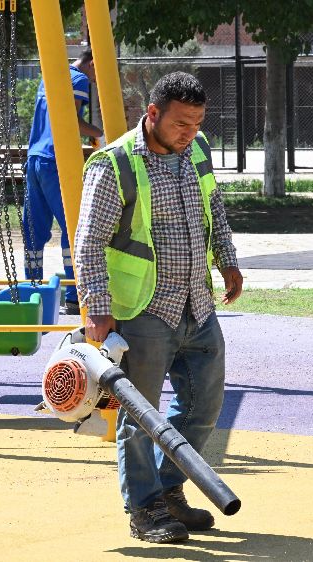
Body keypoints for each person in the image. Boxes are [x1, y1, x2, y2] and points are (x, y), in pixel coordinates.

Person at [74, 71, 242, 543]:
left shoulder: (198, 150)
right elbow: (88, 243)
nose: (190, 132)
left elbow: (216, 209)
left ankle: (170, 492)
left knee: (205, 404)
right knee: (140, 415)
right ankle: (144, 508)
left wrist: (228, 261)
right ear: (153, 114)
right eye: (181, 123)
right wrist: (98, 307)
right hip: (144, 310)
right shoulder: (115, 165)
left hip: (197, 303)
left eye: (197, 122)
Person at [23, 50, 104, 314]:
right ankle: (73, 296)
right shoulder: (79, 80)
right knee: (74, 229)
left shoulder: (51, 76)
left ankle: (31, 291)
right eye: (97, 73)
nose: (95, 81)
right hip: (56, 163)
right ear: (92, 63)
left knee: (33, 231)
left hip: (35, 158)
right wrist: (100, 136)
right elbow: (72, 121)